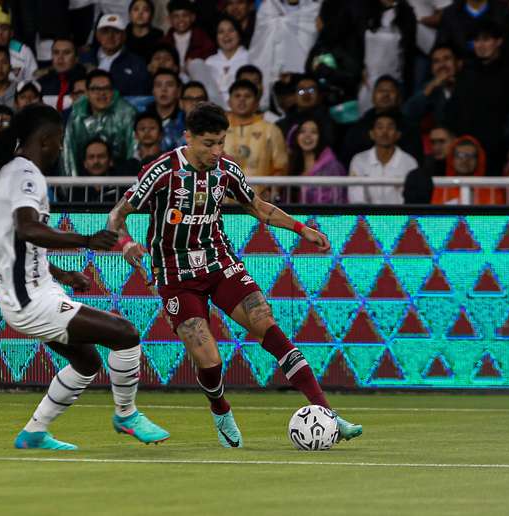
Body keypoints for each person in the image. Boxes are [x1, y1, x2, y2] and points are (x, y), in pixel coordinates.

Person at [107, 102, 362, 448]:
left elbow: (258, 207)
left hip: (219, 263)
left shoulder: (226, 171)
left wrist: (302, 229)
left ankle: (327, 414)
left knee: (265, 323)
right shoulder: (162, 171)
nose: (216, 151)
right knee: (209, 359)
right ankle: (221, 409)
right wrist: (125, 245)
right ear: (189, 137)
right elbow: (116, 216)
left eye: (221, 142)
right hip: (175, 274)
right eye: (208, 143)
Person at [0, 103, 169, 450]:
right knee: (125, 334)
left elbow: (18, 246)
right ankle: (126, 414)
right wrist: (87, 241)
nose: (62, 148)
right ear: (47, 139)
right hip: (30, 301)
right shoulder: (25, 174)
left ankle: (34, 432)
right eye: (61, 140)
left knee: (87, 361)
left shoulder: (11, 170)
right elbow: (28, 228)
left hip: (32, 293)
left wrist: (63, 275)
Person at [444, 20, 509, 176]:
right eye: (476, 41)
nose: (480, 45)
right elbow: (454, 110)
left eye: (486, 39)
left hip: (501, 154)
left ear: (499, 41)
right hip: (468, 154)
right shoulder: (465, 75)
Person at [63, 70, 136, 177]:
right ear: (87, 92)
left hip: (121, 179)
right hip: (83, 180)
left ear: (112, 91)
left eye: (106, 88)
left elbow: (133, 152)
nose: (102, 93)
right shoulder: (76, 115)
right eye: (96, 89)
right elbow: (68, 154)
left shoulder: (127, 113)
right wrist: (71, 187)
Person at [224, 80, 287, 199]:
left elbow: (280, 166)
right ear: (229, 102)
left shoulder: (271, 130)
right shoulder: (218, 129)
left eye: (247, 96)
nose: (242, 100)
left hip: (259, 202)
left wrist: (272, 192)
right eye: (237, 96)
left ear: (257, 103)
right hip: (223, 202)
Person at [348, 111, 418, 205]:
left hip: (399, 218)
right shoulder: (359, 160)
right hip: (367, 217)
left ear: (398, 134)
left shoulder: (410, 162)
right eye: (380, 127)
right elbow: (356, 198)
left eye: (390, 127)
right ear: (372, 134)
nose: (384, 132)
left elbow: (411, 200)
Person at [84, 14, 151, 96]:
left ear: (124, 36)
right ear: (98, 35)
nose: (110, 36)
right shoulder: (85, 58)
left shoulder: (137, 63)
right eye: (105, 31)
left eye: (116, 32)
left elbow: (141, 95)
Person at [287, 118, 347, 205]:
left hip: (324, 217)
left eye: (314, 132)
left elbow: (336, 202)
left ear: (321, 137)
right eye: (302, 131)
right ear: (296, 136)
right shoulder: (292, 164)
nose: (308, 135)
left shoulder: (333, 167)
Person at [431, 135, 504, 205]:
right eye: (460, 155)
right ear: (452, 159)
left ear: (479, 160)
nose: (465, 160)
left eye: (471, 156)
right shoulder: (441, 189)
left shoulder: (492, 190)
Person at [403, 44, 462, 129]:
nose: (442, 65)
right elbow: (407, 113)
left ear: (459, 63)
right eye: (436, 61)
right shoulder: (430, 88)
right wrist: (431, 86)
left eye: (447, 59)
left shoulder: (470, 85)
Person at [205, 16, 250, 106]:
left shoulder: (250, 58)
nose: (226, 35)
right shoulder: (209, 62)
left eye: (231, 30)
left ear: (239, 33)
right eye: (221, 32)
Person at [404, 126, 455, 204]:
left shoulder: (464, 169)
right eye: (433, 142)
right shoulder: (420, 172)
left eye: (442, 141)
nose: (436, 147)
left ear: (454, 141)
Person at [162, 0, 216, 72]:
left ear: (193, 17)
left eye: (185, 15)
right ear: (169, 19)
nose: (181, 20)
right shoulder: (164, 42)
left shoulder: (204, 40)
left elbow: (212, 63)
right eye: (176, 16)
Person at [36, 38, 86, 111]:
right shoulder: (41, 83)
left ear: (76, 58)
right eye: (56, 52)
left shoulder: (86, 82)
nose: (60, 58)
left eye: (66, 53)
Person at [68, 138, 121, 202]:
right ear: (85, 163)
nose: (96, 161)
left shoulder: (121, 188)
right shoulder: (75, 190)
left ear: (110, 161)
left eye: (101, 156)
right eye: (91, 157)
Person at [147, 68, 185, 150]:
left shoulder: (185, 120)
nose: (163, 90)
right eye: (158, 85)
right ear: (153, 90)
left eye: (169, 85)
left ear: (178, 91)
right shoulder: (143, 117)